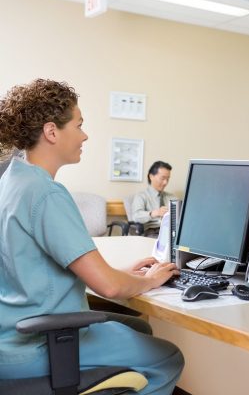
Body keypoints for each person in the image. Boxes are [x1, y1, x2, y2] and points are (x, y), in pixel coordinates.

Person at [0, 79, 184, 394]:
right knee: (168, 356)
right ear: (52, 132)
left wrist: (125, 274)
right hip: (36, 344)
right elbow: (108, 287)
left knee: (139, 326)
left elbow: (42, 268)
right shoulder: (46, 194)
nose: (85, 135)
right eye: (79, 125)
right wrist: (150, 280)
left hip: (11, 331)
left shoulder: (10, 180)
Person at [132, 161, 175, 237]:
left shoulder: (171, 197)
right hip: (153, 232)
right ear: (151, 176)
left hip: (172, 231)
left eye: (168, 179)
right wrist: (153, 213)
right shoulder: (141, 196)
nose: (165, 182)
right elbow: (136, 216)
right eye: (163, 178)